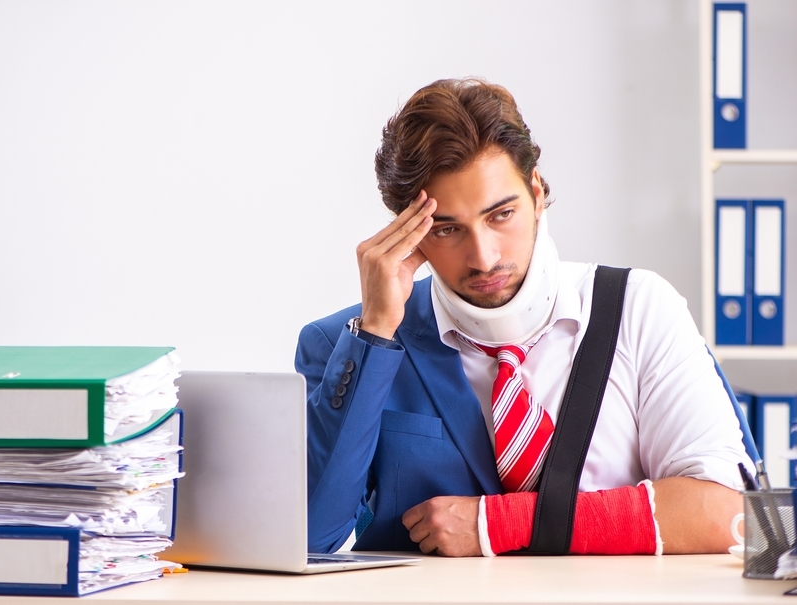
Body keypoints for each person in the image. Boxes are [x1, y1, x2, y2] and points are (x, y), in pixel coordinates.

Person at [295, 78, 752, 557]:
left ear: (536, 192)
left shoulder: (640, 308)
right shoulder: (345, 345)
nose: (484, 257)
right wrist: (375, 334)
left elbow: (725, 512)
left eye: (501, 215)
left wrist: (501, 524)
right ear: (408, 233)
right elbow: (308, 539)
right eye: (447, 229)